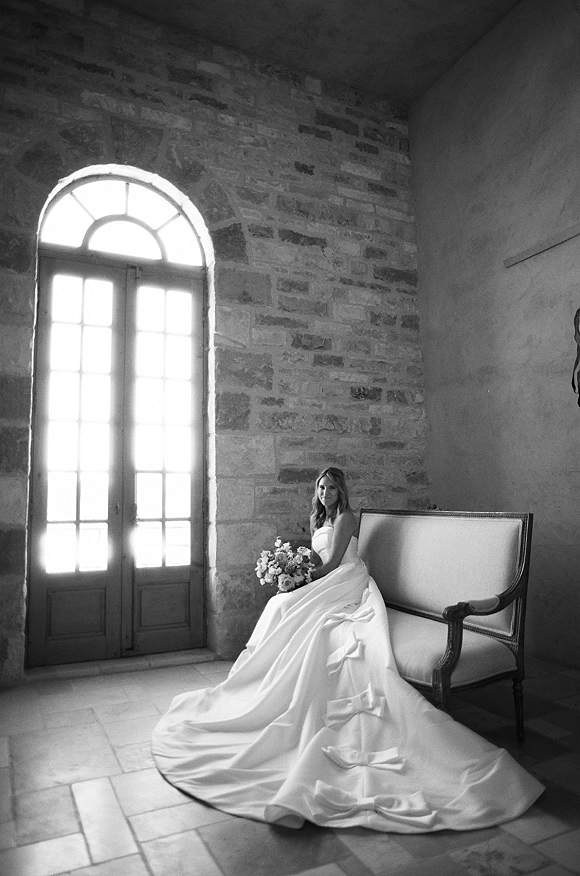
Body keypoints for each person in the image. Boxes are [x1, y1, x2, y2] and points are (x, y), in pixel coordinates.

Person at [151, 467, 543, 833]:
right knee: (282, 607)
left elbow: (333, 562)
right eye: (320, 488)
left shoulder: (346, 519)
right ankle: (258, 684)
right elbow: (317, 558)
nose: (325, 494)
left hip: (346, 580)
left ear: (342, 491)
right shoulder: (318, 518)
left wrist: (298, 576)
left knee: (288, 608)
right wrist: (291, 569)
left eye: (331, 488)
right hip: (328, 577)